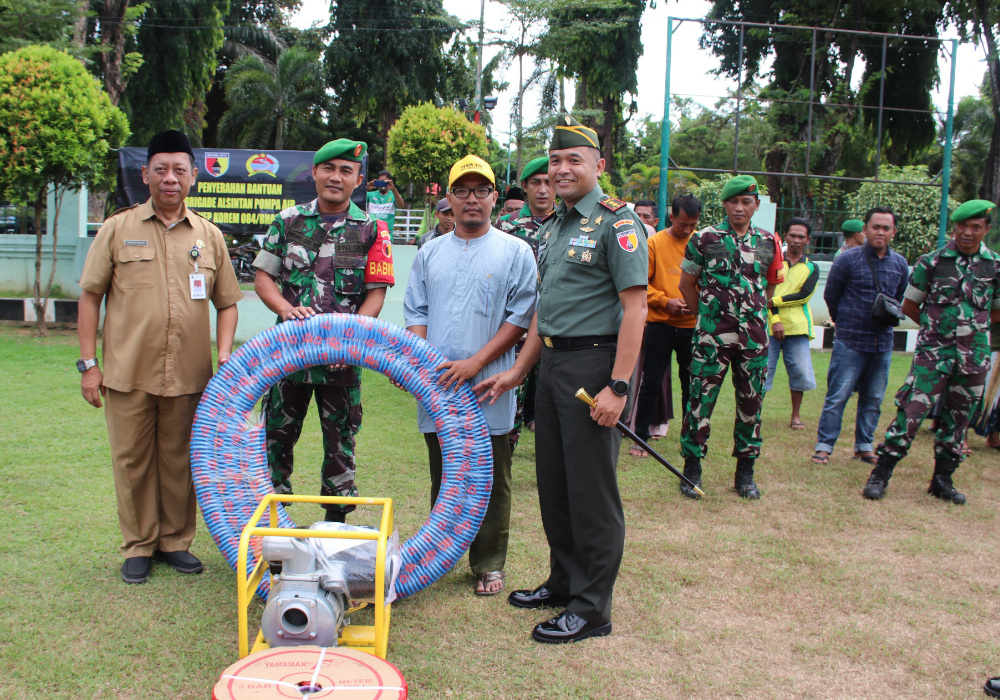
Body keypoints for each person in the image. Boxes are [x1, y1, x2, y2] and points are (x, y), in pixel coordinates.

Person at [475, 114, 648, 644]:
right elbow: (542, 316)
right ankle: (564, 580)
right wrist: (515, 374)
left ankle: (593, 608)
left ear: (599, 165)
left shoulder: (618, 223)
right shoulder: (556, 225)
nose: (563, 169)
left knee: (591, 492)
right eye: (556, 161)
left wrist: (618, 388)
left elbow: (636, 309)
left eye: (575, 159)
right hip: (551, 366)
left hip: (594, 367)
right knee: (555, 485)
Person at [77, 130, 242, 584]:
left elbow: (227, 302)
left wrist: (224, 355)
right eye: (161, 170)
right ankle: (138, 546)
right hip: (127, 373)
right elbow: (90, 296)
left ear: (193, 177)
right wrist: (89, 365)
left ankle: (174, 542)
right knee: (131, 461)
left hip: (189, 376)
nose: (170, 179)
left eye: (179, 170)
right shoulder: (117, 228)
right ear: (146, 174)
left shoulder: (208, 236)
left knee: (179, 460)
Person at [404, 155, 537, 596]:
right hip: (438, 385)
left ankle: (488, 562)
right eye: (462, 191)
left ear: (495, 198)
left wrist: (477, 362)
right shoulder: (429, 253)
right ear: (448, 199)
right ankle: (440, 555)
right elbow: (417, 309)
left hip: (489, 383)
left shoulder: (515, 251)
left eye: (481, 190)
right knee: (443, 473)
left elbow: (521, 316)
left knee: (491, 477)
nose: (472, 199)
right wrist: (420, 359)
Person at [253, 139, 395, 522]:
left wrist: (345, 342)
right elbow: (264, 278)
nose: (336, 177)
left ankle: (335, 528)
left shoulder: (372, 230)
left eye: (346, 170)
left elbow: (375, 297)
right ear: (314, 172)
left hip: (341, 362)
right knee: (276, 444)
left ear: (358, 179)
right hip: (288, 359)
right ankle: (274, 527)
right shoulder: (288, 220)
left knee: (340, 446)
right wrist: (285, 309)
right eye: (328, 168)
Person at [862, 200, 1000, 503]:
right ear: (955, 228)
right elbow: (910, 305)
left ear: (986, 229)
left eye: (975, 227)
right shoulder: (933, 262)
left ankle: (942, 480)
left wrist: (970, 329)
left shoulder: (995, 265)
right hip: (933, 354)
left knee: (959, 419)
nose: (967, 232)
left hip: (974, 357)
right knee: (910, 413)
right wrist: (938, 329)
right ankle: (880, 474)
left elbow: (997, 310)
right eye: (962, 226)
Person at [677, 175, 785, 500]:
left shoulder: (769, 242)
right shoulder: (706, 238)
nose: (739, 207)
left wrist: (748, 314)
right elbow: (686, 284)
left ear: (756, 205)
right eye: (733, 201)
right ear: (724, 204)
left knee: (751, 404)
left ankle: (746, 474)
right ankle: (691, 469)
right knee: (699, 402)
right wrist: (706, 318)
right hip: (711, 339)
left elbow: (769, 288)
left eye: (746, 202)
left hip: (753, 340)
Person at [812, 207, 908, 466]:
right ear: (864, 230)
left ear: (893, 232)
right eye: (875, 227)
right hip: (850, 341)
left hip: (882, 342)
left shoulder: (899, 264)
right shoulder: (847, 260)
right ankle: (824, 446)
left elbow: (897, 298)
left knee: (873, 398)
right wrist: (846, 321)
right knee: (838, 396)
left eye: (886, 228)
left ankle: (864, 446)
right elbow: (831, 296)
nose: (880, 232)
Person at [630, 194, 701, 458]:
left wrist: (694, 302)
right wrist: (665, 302)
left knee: (691, 382)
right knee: (651, 381)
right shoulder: (655, 243)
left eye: (693, 225)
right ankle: (640, 436)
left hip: (691, 326)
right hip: (660, 325)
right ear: (672, 217)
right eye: (683, 223)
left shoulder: (699, 244)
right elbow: (640, 285)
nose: (688, 230)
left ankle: (690, 434)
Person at [496, 156, 554, 450]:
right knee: (512, 398)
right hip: (516, 327)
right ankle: (505, 452)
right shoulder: (504, 226)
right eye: (536, 183)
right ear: (525, 187)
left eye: (548, 181)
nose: (543, 189)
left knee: (556, 400)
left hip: (559, 327)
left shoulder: (575, 223)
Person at [764, 217, 820, 430]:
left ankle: (795, 415)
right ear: (785, 236)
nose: (796, 240)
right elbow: (766, 291)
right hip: (769, 326)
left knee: (800, 373)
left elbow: (803, 296)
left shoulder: (811, 268)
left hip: (797, 328)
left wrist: (774, 302)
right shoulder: (773, 262)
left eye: (801, 237)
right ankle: (754, 414)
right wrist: (775, 318)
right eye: (793, 235)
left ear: (808, 240)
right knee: (762, 372)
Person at [366, 169, 405, 241]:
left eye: (385, 182)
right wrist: (365, 188)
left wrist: (394, 189)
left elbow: (401, 205)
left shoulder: (394, 195)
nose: (382, 185)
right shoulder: (370, 195)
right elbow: (355, 199)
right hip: (371, 235)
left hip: (387, 235)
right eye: (380, 181)